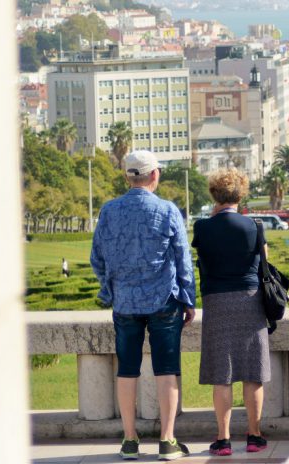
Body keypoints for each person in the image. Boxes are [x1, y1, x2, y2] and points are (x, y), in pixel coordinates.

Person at [90, 150, 196, 461]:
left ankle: (130, 440)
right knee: (167, 370)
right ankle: (167, 440)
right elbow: (183, 260)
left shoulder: (109, 211)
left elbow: (97, 258)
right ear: (154, 175)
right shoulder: (167, 210)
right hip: (164, 300)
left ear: (127, 176)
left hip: (124, 302)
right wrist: (188, 299)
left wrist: (112, 287)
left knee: (127, 370)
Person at [192, 168, 271, 457]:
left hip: (217, 302)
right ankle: (254, 435)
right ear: (241, 194)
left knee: (222, 374)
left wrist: (214, 217)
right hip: (250, 300)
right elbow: (265, 264)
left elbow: (204, 260)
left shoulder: (203, 228)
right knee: (252, 372)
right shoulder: (254, 226)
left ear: (214, 195)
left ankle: (223, 439)